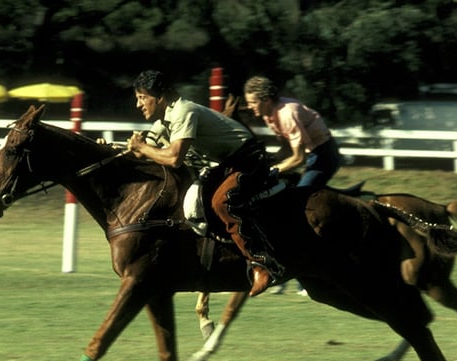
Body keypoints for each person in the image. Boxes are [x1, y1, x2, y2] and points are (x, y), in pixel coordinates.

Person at [126, 70, 279, 297]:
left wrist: (142, 147)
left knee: (221, 202)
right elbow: (145, 149)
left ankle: (262, 264)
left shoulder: (183, 111)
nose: (138, 104)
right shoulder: (164, 119)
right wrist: (115, 148)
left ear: (159, 97)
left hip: (246, 159)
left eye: (142, 97)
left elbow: (173, 158)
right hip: (226, 164)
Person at [243, 75, 345, 296]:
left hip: (322, 157)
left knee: (297, 210)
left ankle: (306, 277)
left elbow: (297, 158)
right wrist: (266, 163)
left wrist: (274, 170)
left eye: (252, 102)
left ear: (265, 99)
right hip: (309, 155)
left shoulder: (287, 113)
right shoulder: (270, 115)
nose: (250, 107)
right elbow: (287, 150)